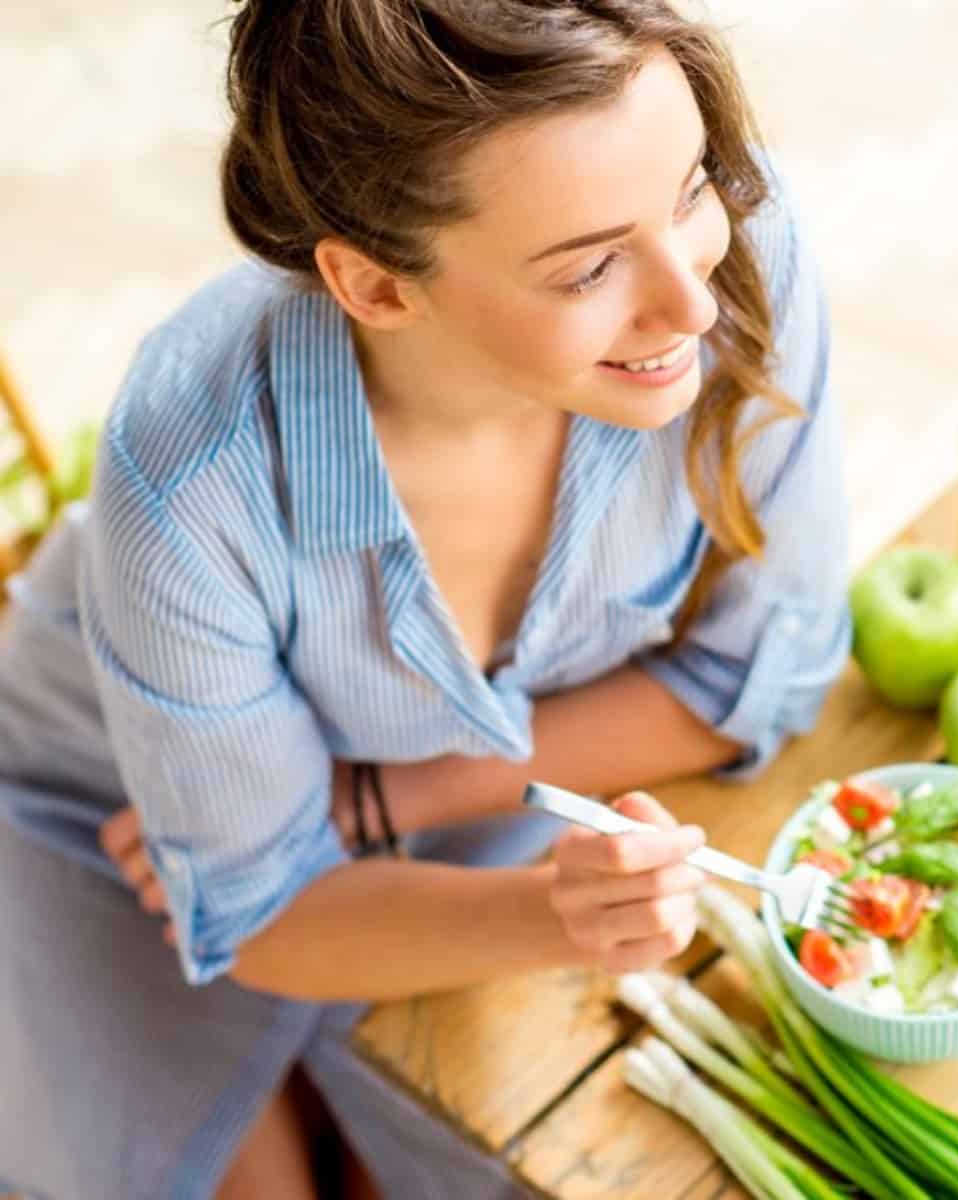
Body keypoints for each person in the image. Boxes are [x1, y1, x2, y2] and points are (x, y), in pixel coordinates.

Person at [0, 2, 849, 1196]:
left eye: (691, 188)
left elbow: (766, 669)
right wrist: (557, 914)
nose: (693, 307)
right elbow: (270, 911)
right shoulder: (188, 474)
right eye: (592, 265)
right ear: (375, 285)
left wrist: (379, 803)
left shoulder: (732, 254)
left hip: (439, 795)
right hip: (101, 806)